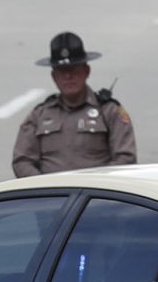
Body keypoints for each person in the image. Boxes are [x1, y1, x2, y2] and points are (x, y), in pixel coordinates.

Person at [9, 32, 136, 177]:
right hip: (52, 196)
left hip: (95, 196)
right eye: (62, 72)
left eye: (73, 69)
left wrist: (95, 187)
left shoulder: (109, 112)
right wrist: (45, 188)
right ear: (54, 77)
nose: (68, 77)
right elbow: (22, 161)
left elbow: (126, 160)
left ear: (86, 71)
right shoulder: (39, 115)